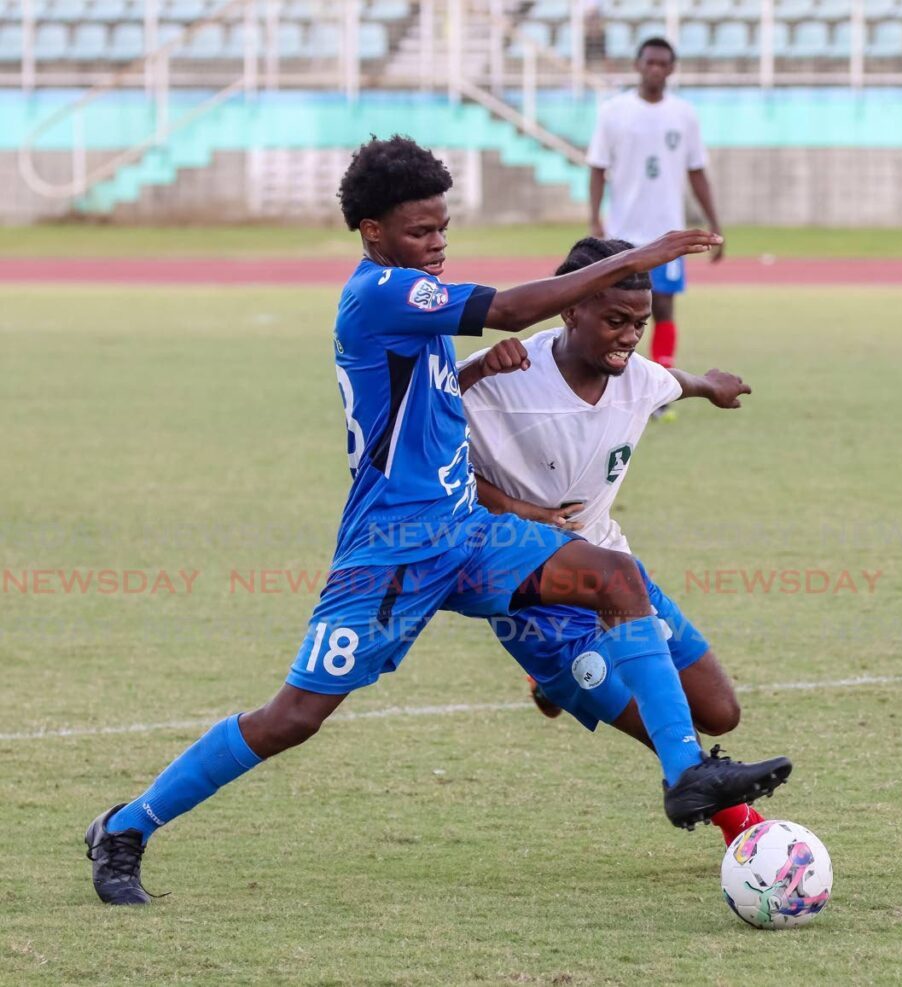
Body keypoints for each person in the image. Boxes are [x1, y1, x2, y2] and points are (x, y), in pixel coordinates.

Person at [84, 137, 790, 906]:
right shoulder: (380, 292)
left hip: (467, 534)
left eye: (443, 229)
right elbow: (515, 308)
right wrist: (641, 253)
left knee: (615, 575)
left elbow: (415, 389)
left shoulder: (405, 302)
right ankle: (126, 826)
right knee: (293, 716)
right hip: (391, 548)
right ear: (373, 232)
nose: (438, 245)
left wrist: (472, 372)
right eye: (421, 232)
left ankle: (685, 771)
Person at [459, 237, 765, 844]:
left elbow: (674, 380)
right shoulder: (506, 375)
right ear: (571, 309)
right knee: (664, 726)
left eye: (640, 323)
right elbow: (431, 466)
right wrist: (523, 507)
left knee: (721, 713)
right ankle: (749, 836)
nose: (630, 336)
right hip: (535, 592)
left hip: (616, 573)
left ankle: (551, 687)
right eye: (616, 321)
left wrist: (712, 384)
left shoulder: (640, 378)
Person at [587, 37, 723, 400]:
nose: (656, 70)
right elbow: (598, 167)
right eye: (650, 62)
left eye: (663, 64)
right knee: (614, 308)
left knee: (662, 305)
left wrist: (714, 221)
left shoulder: (683, 114)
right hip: (622, 232)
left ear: (672, 69)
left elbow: (697, 171)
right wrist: (594, 218)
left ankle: (661, 387)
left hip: (668, 233)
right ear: (638, 65)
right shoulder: (614, 111)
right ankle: (613, 380)